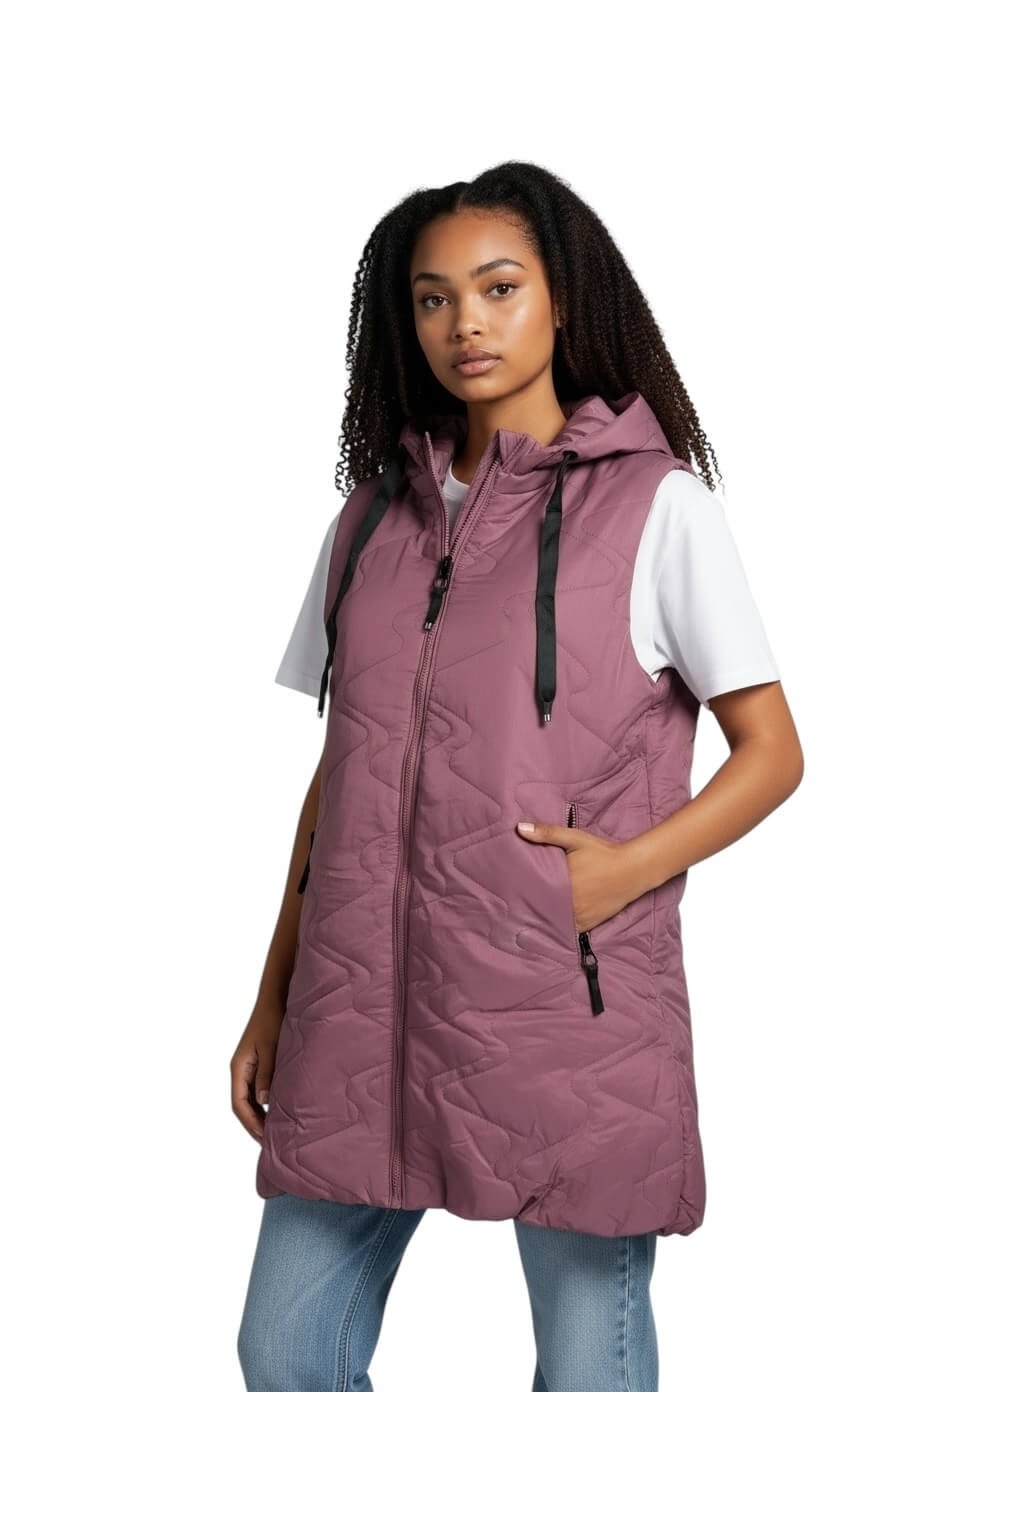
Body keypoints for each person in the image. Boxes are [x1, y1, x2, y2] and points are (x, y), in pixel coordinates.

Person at [232, 160, 804, 1393]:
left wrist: (618, 874)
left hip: (567, 1014)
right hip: (361, 1012)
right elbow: (343, 772)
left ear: (563, 299)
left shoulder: (656, 508)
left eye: (498, 288)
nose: (465, 323)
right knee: (284, 1354)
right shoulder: (367, 521)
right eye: (433, 298)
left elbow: (772, 752)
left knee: (585, 1383)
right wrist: (276, 993)